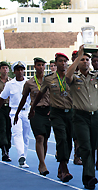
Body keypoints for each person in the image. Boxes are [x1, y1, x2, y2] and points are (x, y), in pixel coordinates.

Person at [66, 45, 98, 189]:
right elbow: (67, 76)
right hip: (80, 116)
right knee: (85, 146)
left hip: (95, 116)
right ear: (78, 62)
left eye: (87, 59)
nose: (85, 62)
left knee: (92, 146)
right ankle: (90, 176)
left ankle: (87, 177)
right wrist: (78, 56)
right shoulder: (74, 78)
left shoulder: (95, 77)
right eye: (83, 60)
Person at [30, 52, 74, 183]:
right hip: (56, 113)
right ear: (55, 63)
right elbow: (40, 94)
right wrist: (33, 107)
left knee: (69, 142)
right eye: (60, 61)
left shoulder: (71, 78)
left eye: (65, 61)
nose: (63, 63)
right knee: (61, 139)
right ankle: (65, 169)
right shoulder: (49, 79)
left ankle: (61, 166)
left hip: (70, 112)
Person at [14, 57, 51, 176]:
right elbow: (23, 99)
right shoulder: (29, 83)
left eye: (42, 65)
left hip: (49, 112)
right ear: (34, 67)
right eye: (38, 65)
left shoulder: (49, 81)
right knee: (39, 137)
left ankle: (42, 160)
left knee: (45, 139)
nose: (41, 67)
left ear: (45, 67)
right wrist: (16, 113)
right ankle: (42, 163)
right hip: (36, 112)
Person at [0, 61, 31, 168]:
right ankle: (21, 156)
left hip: (27, 111)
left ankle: (24, 158)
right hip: (14, 112)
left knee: (26, 136)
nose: (20, 72)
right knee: (17, 133)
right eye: (18, 70)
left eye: (22, 69)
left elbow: (34, 98)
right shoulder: (9, 84)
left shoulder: (29, 83)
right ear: (14, 72)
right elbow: (2, 99)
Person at [71, 50, 82, 165]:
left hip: (79, 107)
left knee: (77, 135)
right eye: (75, 57)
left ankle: (77, 156)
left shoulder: (85, 72)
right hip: (68, 105)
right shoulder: (69, 72)